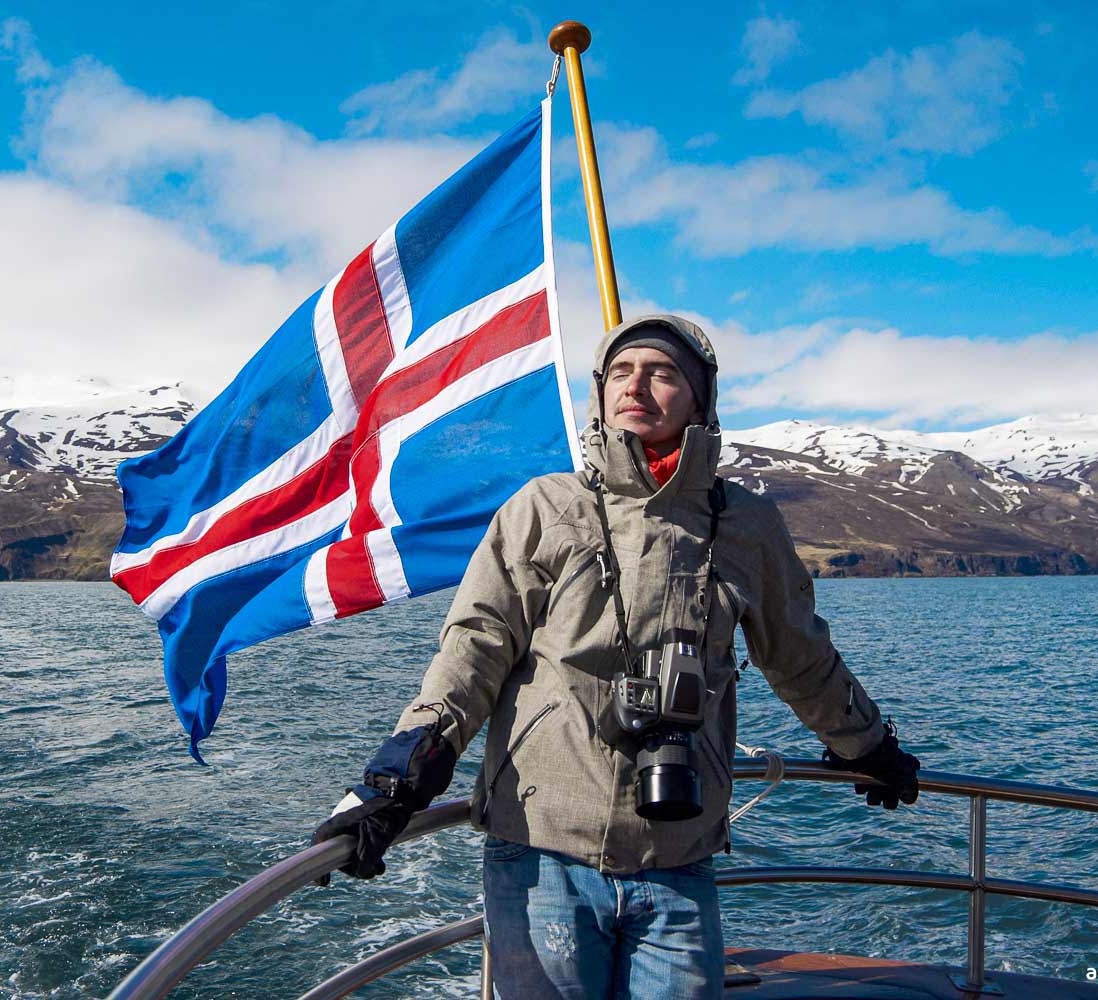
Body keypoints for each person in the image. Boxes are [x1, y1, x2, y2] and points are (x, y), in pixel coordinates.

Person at [316, 315, 921, 999]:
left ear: (701, 400)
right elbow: (473, 649)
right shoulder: (544, 509)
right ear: (600, 392)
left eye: (663, 373)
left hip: (680, 850)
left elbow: (799, 657)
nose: (638, 385)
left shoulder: (746, 525)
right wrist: (401, 778)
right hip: (542, 852)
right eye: (621, 372)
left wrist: (867, 744)